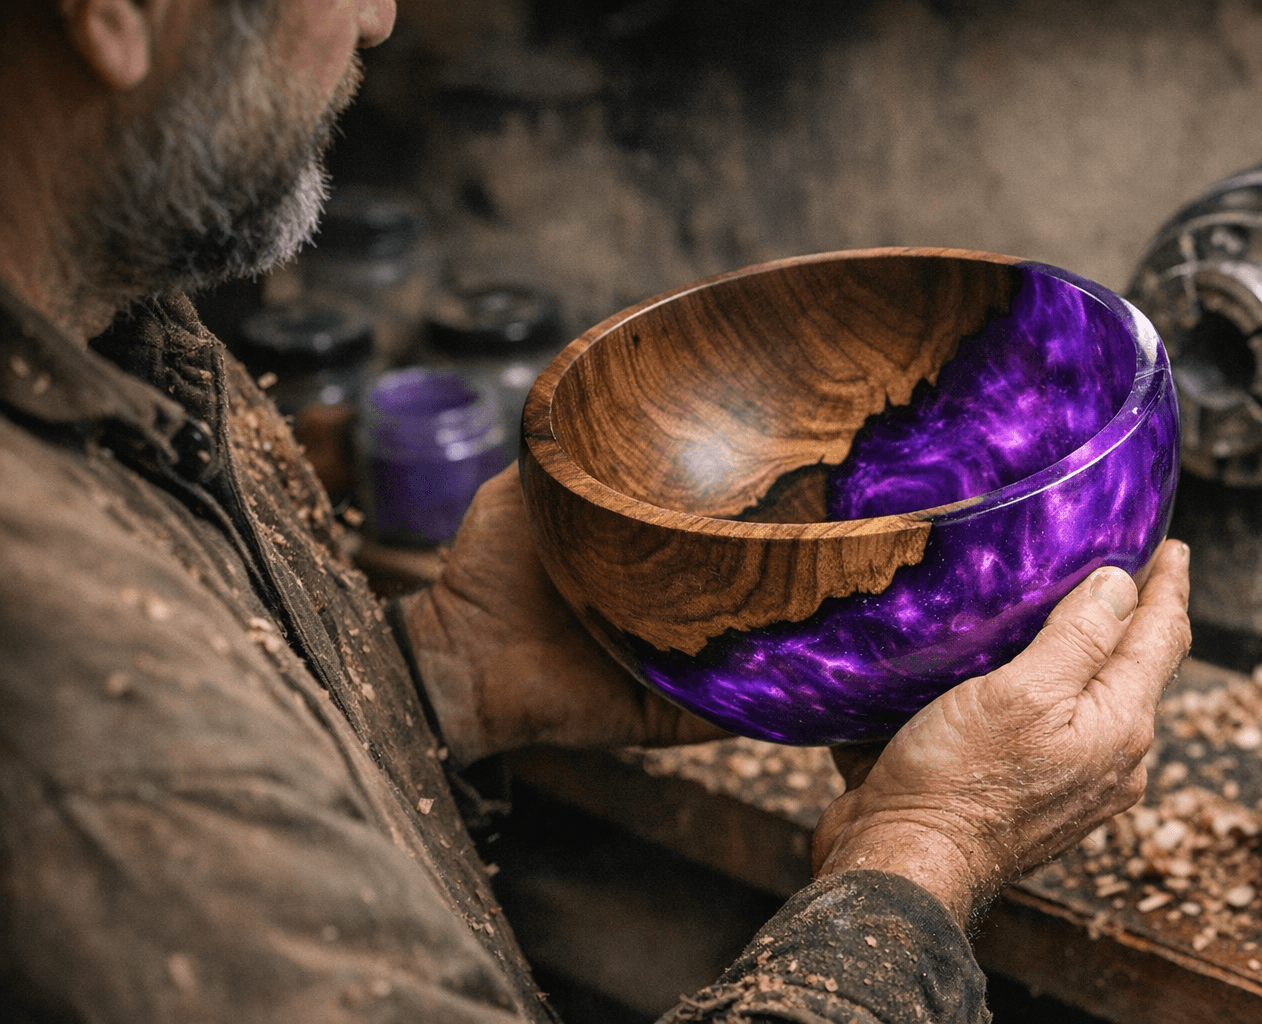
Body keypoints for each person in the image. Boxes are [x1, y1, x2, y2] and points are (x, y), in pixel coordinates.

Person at [0, 0, 1192, 1020]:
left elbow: (235, 823)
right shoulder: (65, 696)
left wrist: (440, 682)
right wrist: (926, 854)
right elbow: (169, 780)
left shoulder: (107, 317)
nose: (382, 16)